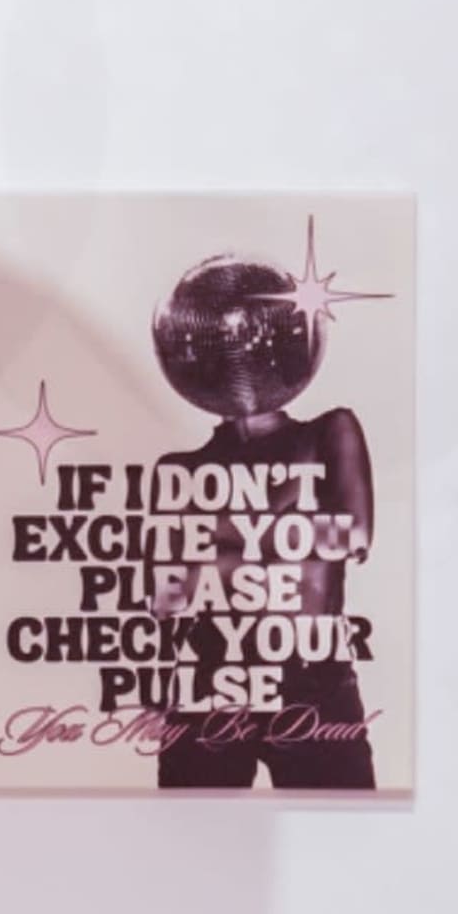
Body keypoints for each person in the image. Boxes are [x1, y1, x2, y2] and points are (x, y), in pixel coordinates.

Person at [143, 254, 379, 791]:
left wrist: (217, 544)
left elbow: (353, 535)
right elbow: (166, 599)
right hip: (209, 682)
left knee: (344, 831)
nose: (237, 348)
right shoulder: (179, 471)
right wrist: (282, 529)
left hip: (313, 684)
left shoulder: (329, 432)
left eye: (250, 334)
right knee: (190, 838)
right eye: (222, 338)